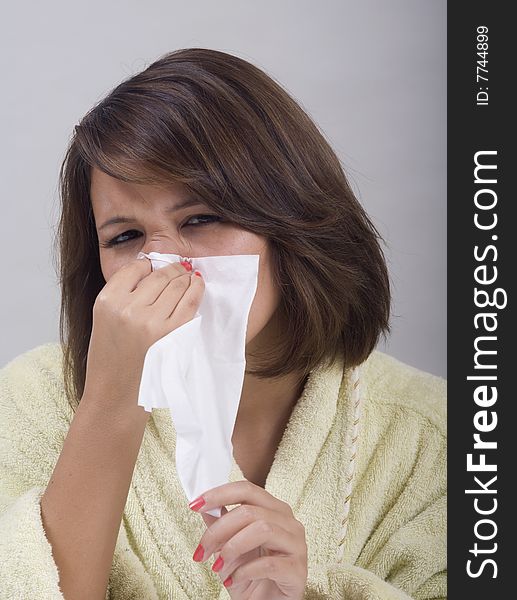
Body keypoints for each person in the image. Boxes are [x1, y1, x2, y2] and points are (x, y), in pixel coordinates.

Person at [0, 48, 446, 599]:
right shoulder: (31, 402)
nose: (164, 261)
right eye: (125, 237)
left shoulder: (434, 438)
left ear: (290, 217)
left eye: (202, 218)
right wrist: (112, 399)